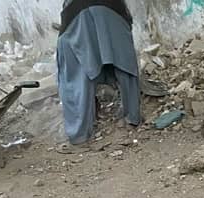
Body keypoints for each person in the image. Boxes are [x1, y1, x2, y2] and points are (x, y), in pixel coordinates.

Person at [57, 0, 141, 145]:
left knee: (76, 76)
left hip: (77, 18)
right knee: (124, 65)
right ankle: (132, 117)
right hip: (114, 14)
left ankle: (79, 133)